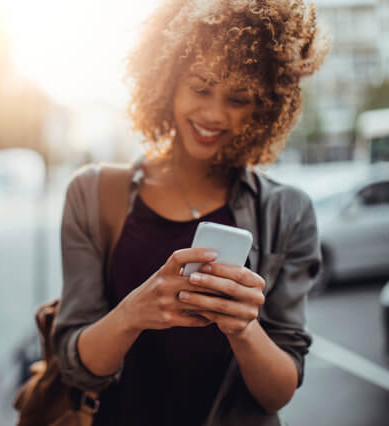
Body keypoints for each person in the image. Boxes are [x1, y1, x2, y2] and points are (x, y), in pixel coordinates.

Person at [51, 1, 330, 425]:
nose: (214, 114)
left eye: (238, 98)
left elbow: (278, 393)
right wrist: (133, 313)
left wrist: (243, 328)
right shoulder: (91, 194)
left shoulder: (287, 211)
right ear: (167, 81)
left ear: (265, 107)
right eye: (200, 88)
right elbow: (74, 364)